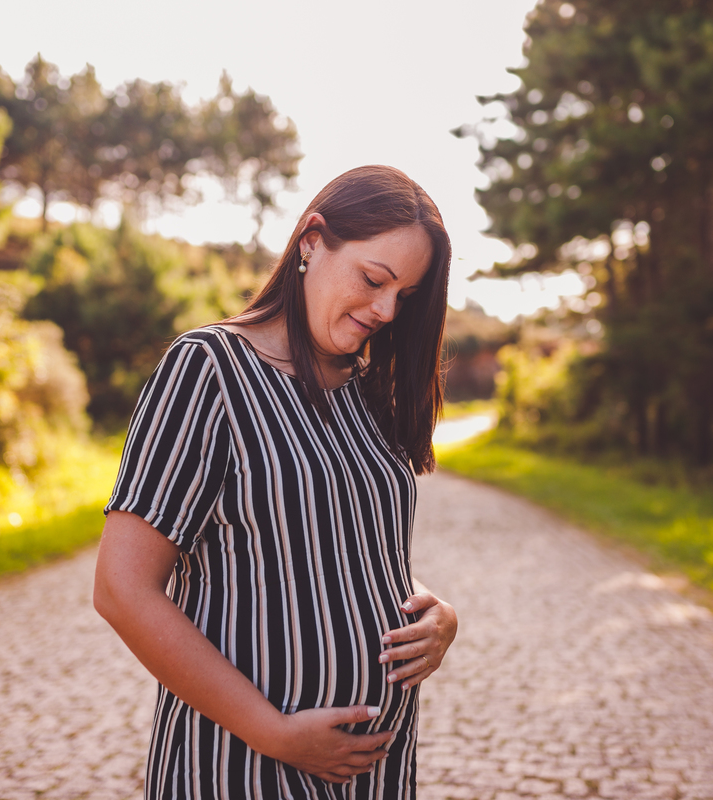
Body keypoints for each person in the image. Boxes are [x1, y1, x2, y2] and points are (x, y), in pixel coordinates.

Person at [93, 165, 459, 799]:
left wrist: (436, 612)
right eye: (374, 280)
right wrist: (273, 731)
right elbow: (122, 590)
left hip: (373, 775)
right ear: (312, 241)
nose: (384, 310)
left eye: (405, 296)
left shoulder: (363, 393)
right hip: (242, 767)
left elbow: (337, 544)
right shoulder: (208, 371)